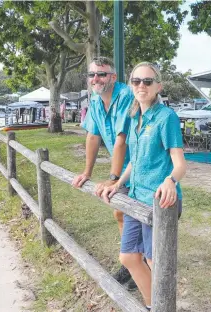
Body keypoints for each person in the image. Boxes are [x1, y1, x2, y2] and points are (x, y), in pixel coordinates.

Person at [101, 62, 186, 310]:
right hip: (135, 198)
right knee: (128, 257)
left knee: (153, 259)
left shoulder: (166, 117)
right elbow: (133, 162)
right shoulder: (133, 116)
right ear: (130, 85)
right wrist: (118, 183)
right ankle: (153, 305)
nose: (141, 85)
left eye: (147, 81)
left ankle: (162, 306)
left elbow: (180, 164)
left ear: (158, 86)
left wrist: (170, 180)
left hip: (159, 202)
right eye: (136, 81)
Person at [71, 56, 137, 290]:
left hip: (139, 167)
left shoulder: (127, 96)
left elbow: (121, 140)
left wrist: (113, 179)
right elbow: (92, 136)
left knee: (136, 218)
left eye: (101, 74)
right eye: (92, 74)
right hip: (124, 169)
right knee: (122, 214)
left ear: (113, 77)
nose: (96, 78)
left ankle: (140, 268)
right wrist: (86, 172)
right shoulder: (97, 101)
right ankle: (132, 266)